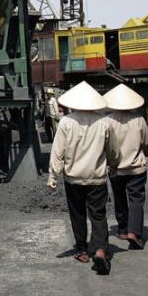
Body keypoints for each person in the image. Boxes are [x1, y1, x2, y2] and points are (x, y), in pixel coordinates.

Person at [47, 81, 119, 275]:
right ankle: (100, 249)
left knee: (77, 214)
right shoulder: (104, 122)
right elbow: (113, 150)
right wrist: (113, 164)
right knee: (98, 214)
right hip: (97, 178)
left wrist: (53, 176)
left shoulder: (66, 122)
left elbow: (57, 152)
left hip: (73, 178)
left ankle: (81, 250)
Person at [103, 83, 148, 250]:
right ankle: (134, 232)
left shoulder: (107, 121)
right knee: (136, 199)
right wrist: (146, 152)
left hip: (115, 168)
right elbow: (145, 144)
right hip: (136, 168)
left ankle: (122, 230)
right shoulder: (139, 120)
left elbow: (105, 145)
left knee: (119, 197)